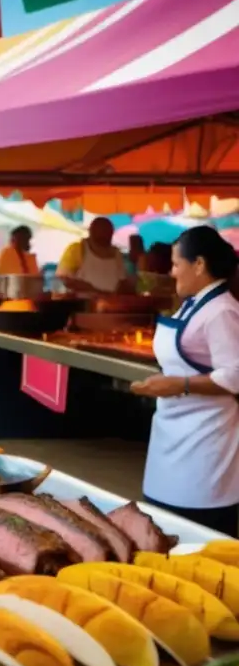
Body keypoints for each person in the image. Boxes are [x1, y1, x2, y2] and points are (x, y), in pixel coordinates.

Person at [131, 226, 239, 536]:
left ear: (200, 265)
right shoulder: (195, 302)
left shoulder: (222, 311)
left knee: (195, 535)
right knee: (161, 526)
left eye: (177, 263)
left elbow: (233, 375)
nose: (171, 271)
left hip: (206, 445)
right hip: (173, 435)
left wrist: (179, 385)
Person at [56, 217, 129, 293]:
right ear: (91, 231)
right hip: (83, 302)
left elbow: (122, 280)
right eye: (101, 232)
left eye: (108, 232)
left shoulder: (116, 253)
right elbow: (64, 278)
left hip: (111, 302)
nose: (104, 235)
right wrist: (89, 288)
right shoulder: (77, 249)